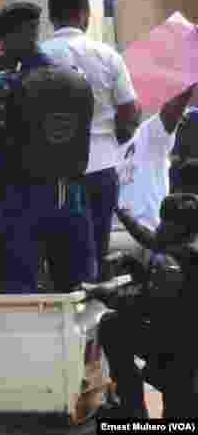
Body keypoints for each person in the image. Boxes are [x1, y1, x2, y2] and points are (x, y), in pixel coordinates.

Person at [0, 1, 97, 293]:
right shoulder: (76, 80)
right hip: (71, 196)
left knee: (20, 290)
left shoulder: (4, 86)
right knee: (77, 290)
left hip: (22, 199)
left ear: (19, 34)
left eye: (4, 40)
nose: (2, 48)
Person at [42, 0, 141, 269]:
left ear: (52, 18)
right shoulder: (106, 55)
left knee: (58, 251)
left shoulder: (39, 56)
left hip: (51, 170)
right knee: (97, 246)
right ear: (84, 15)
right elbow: (129, 108)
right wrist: (118, 136)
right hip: (100, 165)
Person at [100, 160, 198, 418]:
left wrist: (105, 294)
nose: (159, 226)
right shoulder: (184, 250)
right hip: (183, 352)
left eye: (165, 222)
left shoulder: (172, 261)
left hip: (181, 363)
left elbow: (145, 302)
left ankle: (132, 412)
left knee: (112, 326)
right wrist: (136, 267)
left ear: (179, 228)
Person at [119, 84, 198, 232]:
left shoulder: (147, 136)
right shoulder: (96, 144)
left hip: (148, 234)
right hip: (109, 231)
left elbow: (169, 114)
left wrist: (187, 89)